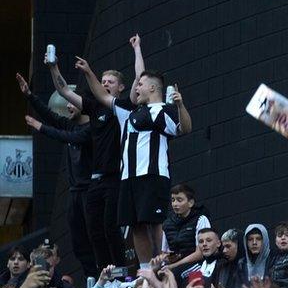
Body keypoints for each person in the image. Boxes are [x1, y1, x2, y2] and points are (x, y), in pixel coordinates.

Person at [76, 40, 192, 270]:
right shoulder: (127, 112)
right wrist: (89, 72)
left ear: (151, 88)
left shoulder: (163, 110)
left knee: (154, 222)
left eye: (139, 85)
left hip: (152, 174)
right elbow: (102, 95)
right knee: (136, 225)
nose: (135, 89)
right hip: (128, 178)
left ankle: (164, 264)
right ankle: (146, 269)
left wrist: (180, 105)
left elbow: (185, 129)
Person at [46, 45, 131, 267]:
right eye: (103, 81)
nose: (104, 84)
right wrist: (54, 68)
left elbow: (103, 95)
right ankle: (106, 273)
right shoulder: (94, 109)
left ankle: (120, 271)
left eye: (110, 81)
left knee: (111, 227)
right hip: (94, 179)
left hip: (114, 176)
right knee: (94, 230)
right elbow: (65, 92)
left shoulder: (121, 108)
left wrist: (89, 72)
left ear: (121, 87)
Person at [18, 76, 96, 276]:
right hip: (75, 191)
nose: (68, 106)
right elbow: (52, 116)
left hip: (91, 190)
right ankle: (91, 279)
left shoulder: (93, 129)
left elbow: (66, 136)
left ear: (83, 104)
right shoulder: (72, 125)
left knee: (95, 237)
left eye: (72, 102)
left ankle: (102, 276)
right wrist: (30, 95)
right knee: (78, 241)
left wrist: (40, 127)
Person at [160, 183, 211, 270]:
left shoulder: (201, 219)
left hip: (198, 265)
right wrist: (166, 258)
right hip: (174, 266)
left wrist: (174, 266)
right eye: (173, 200)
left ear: (190, 203)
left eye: (179, 200)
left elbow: (200, 253)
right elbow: (164, 252)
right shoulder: (167, 224)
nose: (175, 204)